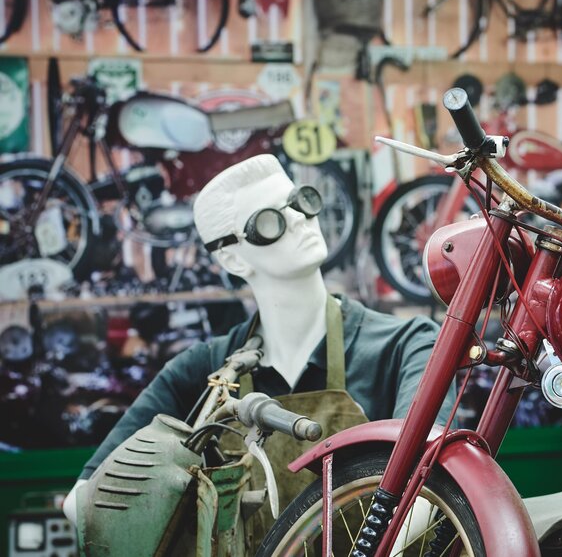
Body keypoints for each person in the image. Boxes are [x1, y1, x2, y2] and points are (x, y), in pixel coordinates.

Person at [63, 154, 454, 542]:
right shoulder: (204, 369)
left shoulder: (408, 346)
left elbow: (426, 481)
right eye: (270, 220)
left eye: (301, 202)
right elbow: (84, 500)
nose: (300, 218)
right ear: (232, 257)